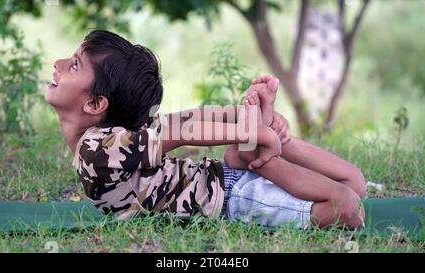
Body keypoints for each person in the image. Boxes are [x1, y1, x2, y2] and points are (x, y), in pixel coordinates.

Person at [46, 29, 365, 230]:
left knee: (354, 191)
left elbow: (185, 122)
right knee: (347, 202)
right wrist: (249, 130)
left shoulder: (108, 140)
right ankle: (261, 148)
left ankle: (268, 144)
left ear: (95, 104)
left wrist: (246, 122)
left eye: (74, 64)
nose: (58, 63)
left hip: (230, 191)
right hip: (235, 197)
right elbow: (184, 130)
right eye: (74, 62)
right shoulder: (102, 147)